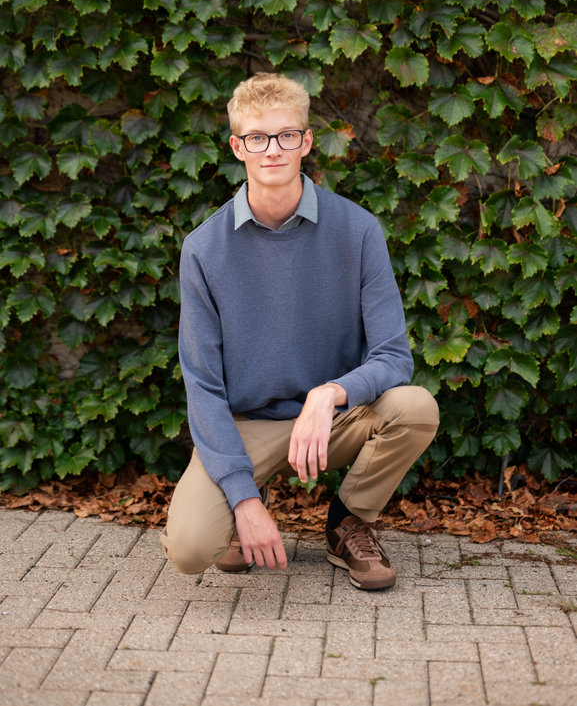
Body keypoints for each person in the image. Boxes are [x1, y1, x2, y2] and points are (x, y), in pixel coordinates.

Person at [160, 73, 439, 590]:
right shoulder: (203, 249)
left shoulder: (357, 230)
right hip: (247, 426)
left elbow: (393, 356)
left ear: (307, 142)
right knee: (192, 549)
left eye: (287, 135)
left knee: (416, 407)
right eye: (257, 139)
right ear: (237, 147)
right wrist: (242, 498)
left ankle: (347, 522)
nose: (273, 150)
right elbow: (201, 384)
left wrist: (330, 393)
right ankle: (253, 500)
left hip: (333, 418)